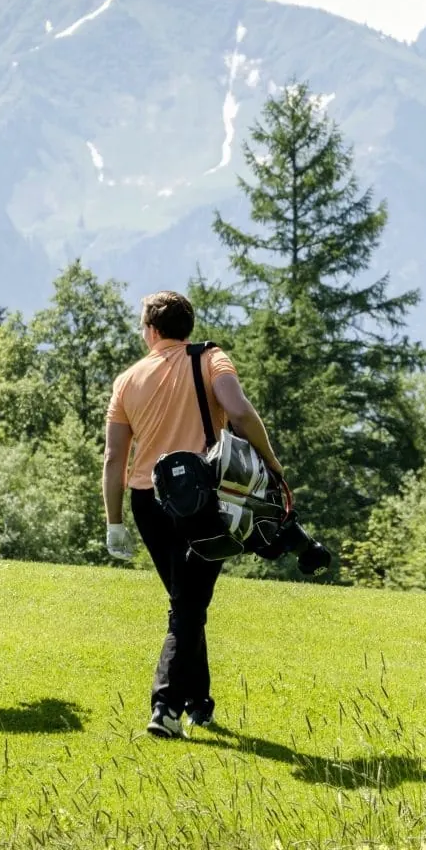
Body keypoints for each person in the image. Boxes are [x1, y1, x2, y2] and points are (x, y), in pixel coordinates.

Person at [102, 290, 287, 739]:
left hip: (149, 501)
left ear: (150, 331)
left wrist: (114, 523)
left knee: (187, 602)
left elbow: (113, 458)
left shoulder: (127, 380)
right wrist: (274, 468)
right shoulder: (211, 359)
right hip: (206, 500)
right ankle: (165, 707)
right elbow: (240, 412)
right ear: (187, 326)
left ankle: (198, 703)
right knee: (188, 604)